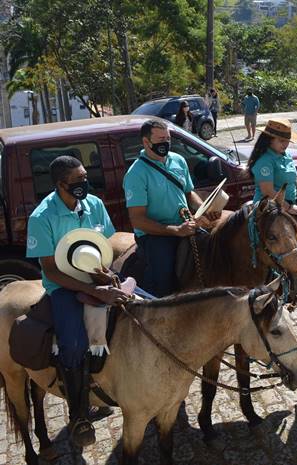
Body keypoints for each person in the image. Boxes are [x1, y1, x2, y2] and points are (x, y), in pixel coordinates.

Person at [26, 156, 129, 447]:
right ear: (61, 185)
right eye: (78, 180)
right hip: (63, 286)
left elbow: (107, 245)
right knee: (72, 342)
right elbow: (51, 270)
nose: (85, 183)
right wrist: (97, 293)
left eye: (85, 176)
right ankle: (78, 413)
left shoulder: (94, 204)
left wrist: (107, 276)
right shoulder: (41, 217)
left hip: (96, 276)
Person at [123, 120, 220, 297]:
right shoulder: (136, 174)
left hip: (186, 226)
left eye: (168, 138)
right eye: (160, 139)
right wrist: (175, 230)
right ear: (146, 142)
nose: (165, 143)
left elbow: (189, 193)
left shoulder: (179, 160)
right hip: (156, 235)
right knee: (164, 279)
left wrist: (204, 208)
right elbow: (138, 219)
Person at [247, 118, 297, 215]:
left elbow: (294, 178)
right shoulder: (264, 161)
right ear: (269, 140)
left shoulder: (286, 155)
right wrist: (288, 207)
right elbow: (267, 191)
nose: (286, 144)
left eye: (288, 141)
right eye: (282, 141)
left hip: (288, 205)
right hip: (268, 209)